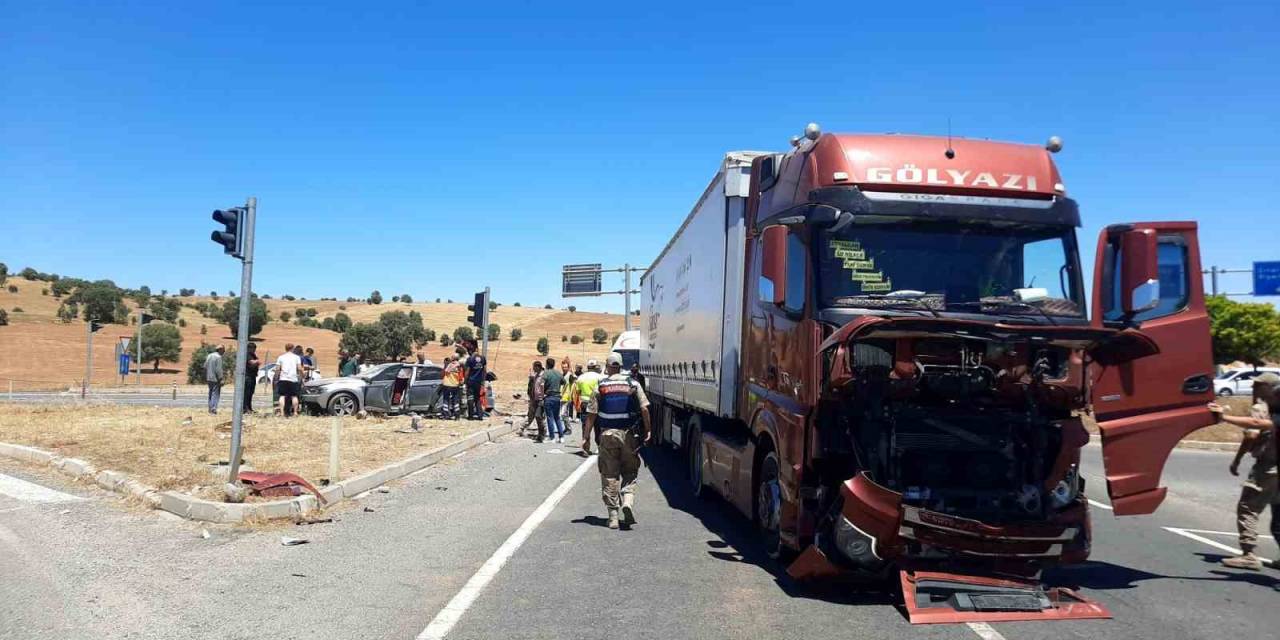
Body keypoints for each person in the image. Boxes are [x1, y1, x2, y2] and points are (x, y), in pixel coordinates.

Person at [1210, 372, 1279, 571]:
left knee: (1248, 507)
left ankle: (1248, 554)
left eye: (1258, 386)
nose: (1253, 389)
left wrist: (1237, 459)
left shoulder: (1261, 408)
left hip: (1268, 467)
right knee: (1278, 513)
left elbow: (1252, 432)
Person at [584, 352, 651, 529]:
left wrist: (586, 438)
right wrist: (649, 431)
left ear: (607, 366)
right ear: (621, 366)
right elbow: (644, 409)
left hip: (607, 436)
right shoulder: (633, 384)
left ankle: (613, 515)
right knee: (630, 471)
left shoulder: (601, 385)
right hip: (629, 435)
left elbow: (591, 414)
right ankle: (627, 501)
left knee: (609, 474)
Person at [573, 360, 603, 453]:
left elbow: (577, 393)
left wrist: (576, 406)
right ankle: (600, 447)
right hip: (597, 403)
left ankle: (586, 446)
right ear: (595, 367)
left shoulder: (581, 378)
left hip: (585, 403)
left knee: (586, 425)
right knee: (598, 426)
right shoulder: (600, 377)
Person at [274, 343, 304, 418]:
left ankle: (282, 412)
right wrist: (302, 375)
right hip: (293, 379)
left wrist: (276, 377)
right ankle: (295, 412)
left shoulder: (281, 357)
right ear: (293, 348)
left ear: (285, 348)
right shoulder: (296, 357)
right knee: (294, 396)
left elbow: (277, 369)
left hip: (283, 378)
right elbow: (299, 368)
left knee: (282, 396)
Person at [541, 357, 566, 443]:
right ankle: (561, 436)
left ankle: (552, 437)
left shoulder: (546, 373)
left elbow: (541, 384)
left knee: (549, 418)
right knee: (557, 418)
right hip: (557, 397)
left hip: (549, 397)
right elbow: (564, 382)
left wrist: (542, 393)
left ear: (547, 364)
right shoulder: (558, 373)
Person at [524, 360, 546, 439]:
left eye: (534, 367)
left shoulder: (544, 376)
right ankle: (541, 434)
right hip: (534, 399)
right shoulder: (536, 375)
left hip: (541, 399)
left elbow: (544, 387)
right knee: (532, 415)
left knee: (539, 416)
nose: (533, 369)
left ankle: (542, 433)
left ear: (538, 367)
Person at [465, 345, 487, 420]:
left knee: (470, 398)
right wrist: (483, 381)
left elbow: (467, 371)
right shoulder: (483, 358)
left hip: (471, 381)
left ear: (470, 351)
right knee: (477, 398)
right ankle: (480, 415)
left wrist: (465, 381)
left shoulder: (470, 359)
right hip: (478, 382)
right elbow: (484, 371)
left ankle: (471, 416)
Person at [441, 355, 464, 419]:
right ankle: (457, 415)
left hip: (447, 384)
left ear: (453, 359)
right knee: (455, 400)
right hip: (455, 385)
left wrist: (445, 365)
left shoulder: (448, 366)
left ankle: (446, 415)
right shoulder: (459, 367)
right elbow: (461, 378)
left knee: (446, 400)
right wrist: (460, 382)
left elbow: (442, 374)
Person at [204, 345, 225, 415]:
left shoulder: (209, 355)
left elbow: (205, 366)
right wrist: (221, 378)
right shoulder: (218, 357)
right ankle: (213, 409)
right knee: (215, 394)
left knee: (210, 393)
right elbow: (218, 370)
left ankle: (210, 408)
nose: (224, 351)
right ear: (220, 350)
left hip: (209, 378)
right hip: (216, 379)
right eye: (223, 350)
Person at [243, 343, 261, 413]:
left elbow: (255, 362)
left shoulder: (253, 355)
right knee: (246, 393)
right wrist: (257, 361)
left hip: (253, 376)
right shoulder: (247, 354)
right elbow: (252, 362)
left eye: (255, 348)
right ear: (249, 348)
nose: (254, 350)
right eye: (253, 348)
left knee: (250, 393)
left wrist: (256, 362)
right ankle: (245, 408)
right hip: (247, 376)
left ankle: (249, 408)